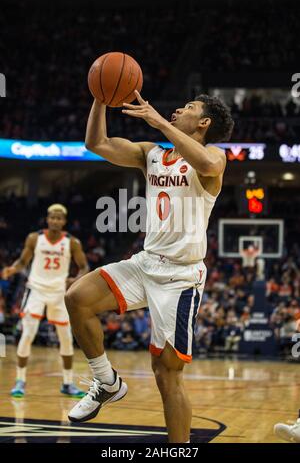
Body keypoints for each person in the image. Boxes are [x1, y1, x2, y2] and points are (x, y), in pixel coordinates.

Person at [65, 90, 234, 443]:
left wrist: (156, 120)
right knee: (78, 297)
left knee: (166, 375)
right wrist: (100, 96)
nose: (177, 108)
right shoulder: (152, 153)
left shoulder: (213, 155)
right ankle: (107, 382)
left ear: (204, 123)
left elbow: (209, 166)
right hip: (145, 263)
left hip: (179, 277)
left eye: (188, 108)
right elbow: (96, 142)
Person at [2, 204, 89, 398]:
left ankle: (67, 383)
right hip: (36, 290)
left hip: (59, 293)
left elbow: (84, 266)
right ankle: (20, 380)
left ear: (64, 221)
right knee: (27, 334)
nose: (56, 221)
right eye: (53, 218)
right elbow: (23, 262)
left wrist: (76, 279)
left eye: (59, 218)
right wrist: (12, 269)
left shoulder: (72, 242)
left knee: (66, 339)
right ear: (47, 219)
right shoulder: (35, 238)